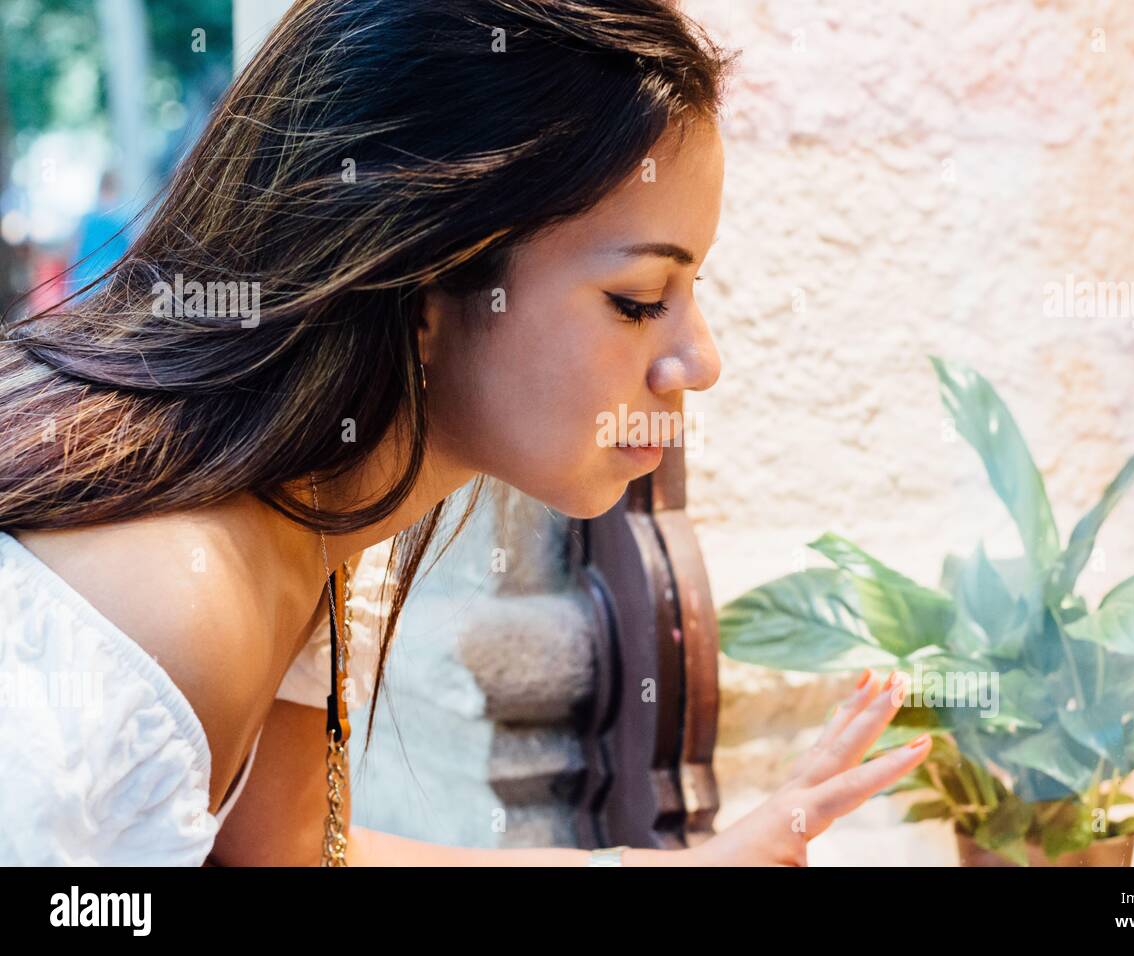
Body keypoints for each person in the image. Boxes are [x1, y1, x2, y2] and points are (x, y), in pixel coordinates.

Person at [0, 0, 931, 866]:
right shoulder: (162, 606)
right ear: (423, 276)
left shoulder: (304, 531)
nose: (699, 359)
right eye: (639, 300)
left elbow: (298, 856)